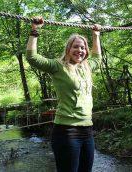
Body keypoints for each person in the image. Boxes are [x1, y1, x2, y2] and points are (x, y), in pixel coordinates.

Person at [26, 17, 102, 172]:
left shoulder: (86, 67)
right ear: (68, 49)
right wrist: (35, 30)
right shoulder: (58, 67)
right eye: (76, 47)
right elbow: (32, 58)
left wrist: (95, 36)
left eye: (83, 48)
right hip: (67, 131)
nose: (80, 50)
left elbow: (98, 58)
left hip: (87, 130)